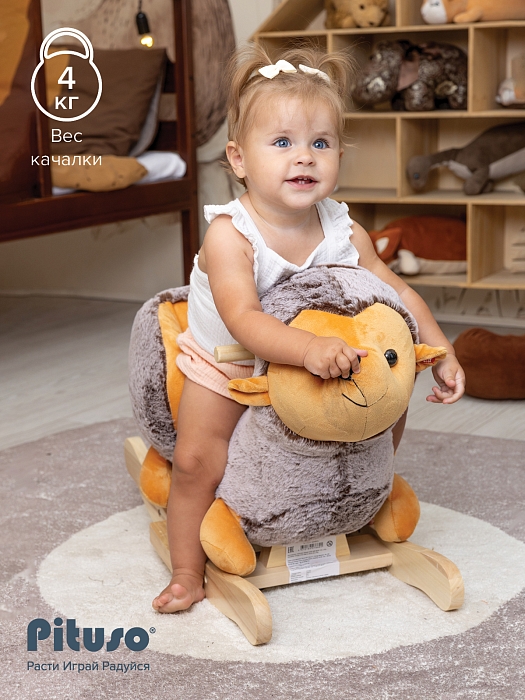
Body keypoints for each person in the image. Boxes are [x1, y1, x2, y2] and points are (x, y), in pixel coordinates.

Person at [152, 44, 465, 613]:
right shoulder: (231, 234)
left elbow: (398, 292)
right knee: (198, 460)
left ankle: (356, 496)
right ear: (238, 159)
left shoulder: (343, 229)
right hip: (229, 363)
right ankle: (187, 571)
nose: (304, 157)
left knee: (384, 412)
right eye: (282, 142)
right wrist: (308, 348)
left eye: (320, 143)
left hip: (318, 358)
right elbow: (245, 320)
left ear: (339, 154)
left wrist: (440, 348)